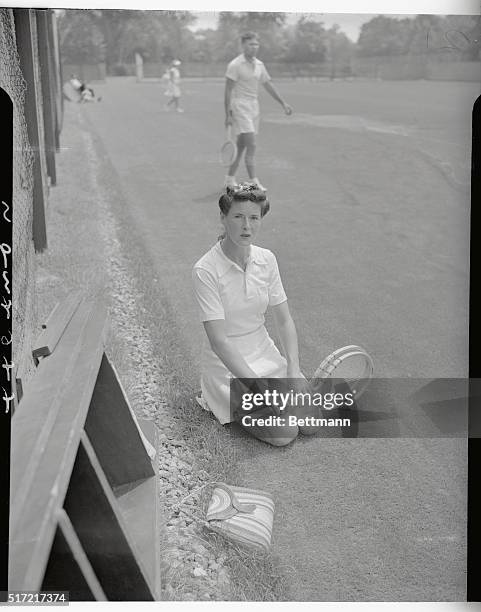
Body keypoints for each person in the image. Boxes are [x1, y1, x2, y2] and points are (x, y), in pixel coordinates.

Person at [192, 183, 318, 446]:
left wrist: (293, 369)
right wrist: (257, 386)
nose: (246, 226)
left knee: (312, 422)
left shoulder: (267, 259)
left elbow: (284, 320)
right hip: (229, 368)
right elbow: (219, 342)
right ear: (223, 218)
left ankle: (281, 397)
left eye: (254, 218)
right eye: (238, 217)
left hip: (265, 354)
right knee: (286, 434)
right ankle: (229, 403)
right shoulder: (205, 269)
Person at [224, 32, 293, 191]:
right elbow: (227, 91)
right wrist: (227, 113)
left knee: (241, 145)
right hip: (240, 106)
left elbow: (268, 85)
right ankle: (253, 181)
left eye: (256, 44)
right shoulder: (235, 65)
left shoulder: (260, 65)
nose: (254, 47)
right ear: (243, 46)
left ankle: (229, 179)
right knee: (252, 145)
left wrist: (283, 103)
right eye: (250, 44)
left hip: (254, 107)